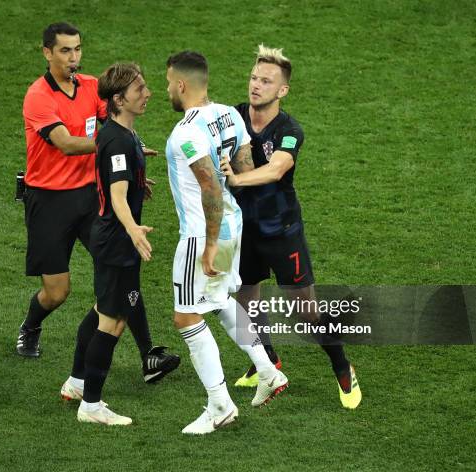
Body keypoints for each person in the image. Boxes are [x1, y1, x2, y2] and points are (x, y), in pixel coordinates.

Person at [19, 22, 179, 387]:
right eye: (64, 51)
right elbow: (68, 143)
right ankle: (31, 326)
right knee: (58, 291)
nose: (73, 57)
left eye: (77, 49)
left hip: (91, 196)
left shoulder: (92, 87)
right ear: (47, 53)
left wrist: (130, 168)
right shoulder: (38, 97)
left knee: (124, 274)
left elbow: (119, 125)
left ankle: (148, 355)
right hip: (49, 201)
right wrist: (118, 149)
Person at [220, 44, 361, 409]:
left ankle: (343, 367)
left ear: (282, 90)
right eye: (254, 77)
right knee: (247, 301)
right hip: (244, 230)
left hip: (281, 232)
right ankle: (267, 362)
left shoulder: (289, 130)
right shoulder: (233, 116)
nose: (256, 86)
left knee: (305, 313)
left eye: (266, 81)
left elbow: (278, 168)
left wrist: (236, 180)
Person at [165, 51, 289, 435]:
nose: (167, 89)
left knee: (187, 316)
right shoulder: (230, 114)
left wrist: (208, 246)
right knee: (219, 303)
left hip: (205, 232)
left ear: (181, 84)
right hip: (233, 225)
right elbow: (246, 169)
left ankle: (219, 404)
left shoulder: (185, 133)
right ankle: (268, 371)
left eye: (169, 82)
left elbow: (209, 190)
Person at [71, 62, 154, 425]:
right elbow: (117, 196)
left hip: (113, 239)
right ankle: (91, 405)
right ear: (118, 99)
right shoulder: (118, 139)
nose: (147, 93)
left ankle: (76, 382)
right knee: (113, 321)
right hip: (116, 241)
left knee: (103, 310)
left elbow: (119, 178)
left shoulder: (122, 132)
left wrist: (140, 179)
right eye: (139, 90)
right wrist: (134, 230)